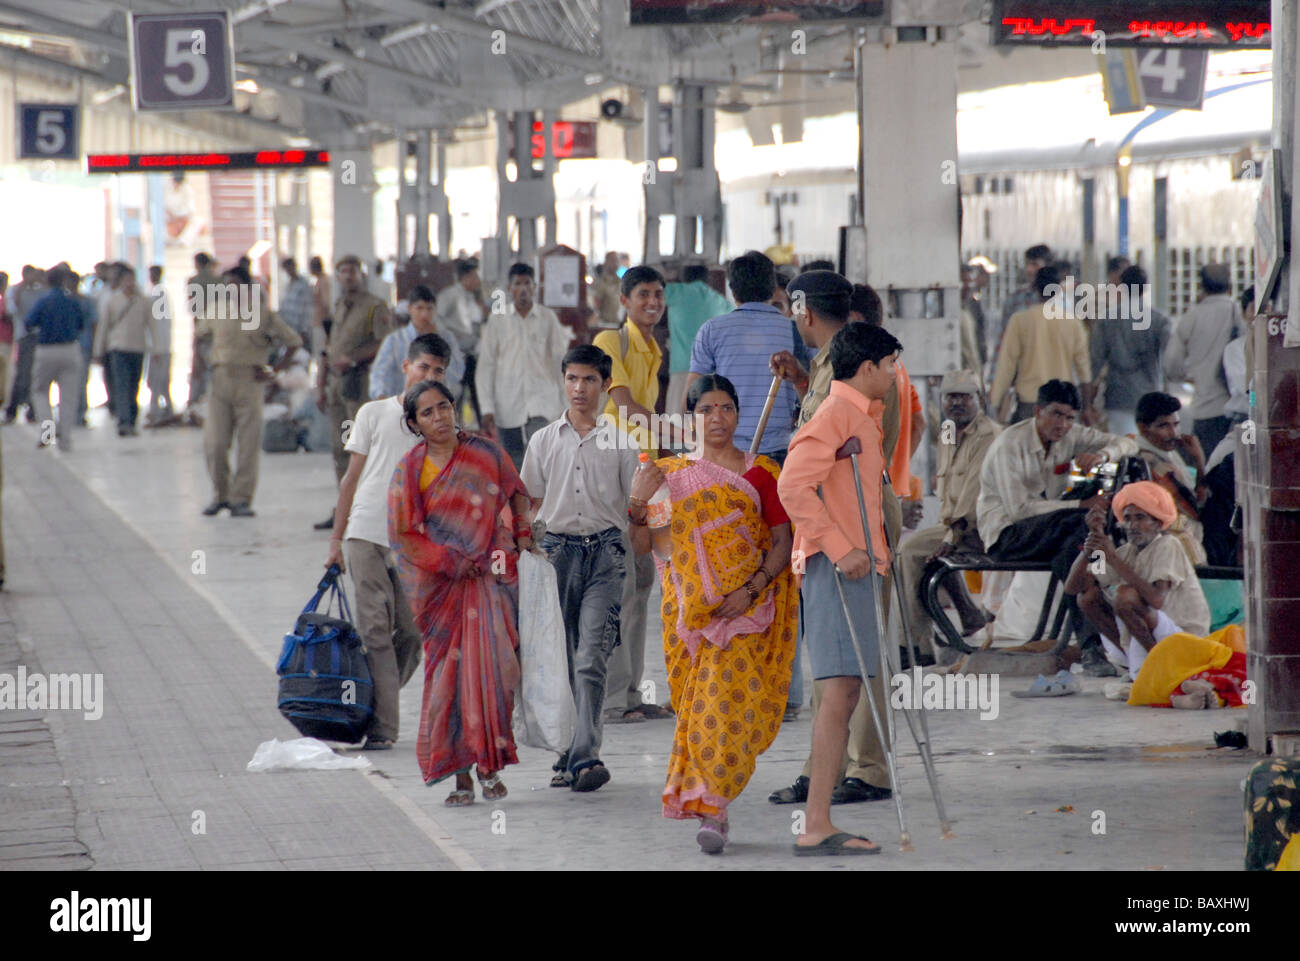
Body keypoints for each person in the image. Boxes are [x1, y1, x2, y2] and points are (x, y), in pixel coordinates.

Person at [628, 373, 797, 853]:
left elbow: (782, 541)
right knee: (700, 713)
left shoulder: (761, 473)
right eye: (706, 409)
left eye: (725, 408)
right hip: (691, 617)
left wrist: (752, 588)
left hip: (747, 610)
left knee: (725, 709)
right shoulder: (669, 475)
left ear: (739, 414)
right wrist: (638, 501)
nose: (717, 418)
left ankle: (713, 809)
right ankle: (711, 803)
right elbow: (649, 547)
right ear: (691, 418)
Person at [766, 272, 902, 797]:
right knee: (830, 657)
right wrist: (803, 382)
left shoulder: (863, 360)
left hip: (852, 520)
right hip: (831, 524)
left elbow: (829, 450)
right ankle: (825, 767)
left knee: (859, 655)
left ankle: (865, 767)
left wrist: (843, 547)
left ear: (804, 311)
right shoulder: (832, 364)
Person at [388, 379, 531, 804]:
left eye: (445, 407)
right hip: (442, 593)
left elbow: (517, 493)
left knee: (498, 672)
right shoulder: (410, 470)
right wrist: (451, 561)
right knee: (449, 680)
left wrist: (521, 535)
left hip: (490, 581)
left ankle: (490, 766)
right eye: (428, 412)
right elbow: (404, 536)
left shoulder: (485, 452)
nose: (440, 417)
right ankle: (461, 776)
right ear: (414, 423)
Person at [521, 345, 639, 792]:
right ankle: (565, 752)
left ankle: (586, 757)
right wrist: (523, 550)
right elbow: (528, 502)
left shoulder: (622, 441)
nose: (579, 388)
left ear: (606, 387)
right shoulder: (543, 441)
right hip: (555, 555)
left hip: (607, 554)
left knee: (591, 656)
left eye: (590, 380)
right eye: (572, 378)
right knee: (560, 656)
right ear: (563, 381)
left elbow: (636, 507)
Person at [325, 334, 451, 748]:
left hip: (412, 546)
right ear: (405, 367)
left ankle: (372, 701)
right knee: (375, 632)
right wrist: (335, 542)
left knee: (413, 633)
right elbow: (351, 479)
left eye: (437, 372)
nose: (429, 377)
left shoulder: (439, 425)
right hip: (364, 533)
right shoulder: (373, 413)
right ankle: (382, 730)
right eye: (423, 368)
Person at [977, 379, 1138, 674]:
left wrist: (1102, 456)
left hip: (1052, 530)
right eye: (1056, 414)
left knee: (1074, 550)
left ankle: (1092, 647)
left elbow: (1129, 442)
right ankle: (1098, 620)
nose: (1063, 424)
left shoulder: (1071, 435)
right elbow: (1019, 511)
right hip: (1008, 536)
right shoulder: (1009, 446)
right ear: (1038, 411)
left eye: (1069, 417)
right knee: (1082, 525)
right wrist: (1080, 505)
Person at [592, 265, 674, 722]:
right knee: (621, 586)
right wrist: (679, 434)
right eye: (643, 293)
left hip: (644, 478)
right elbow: (623, 405)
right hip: (615, 477)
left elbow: (647, 418)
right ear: (624, 300)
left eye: (658, 294)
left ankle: (632, 696)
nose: (653, 301)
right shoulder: (611, 343)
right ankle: (612, 700)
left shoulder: (654, 349)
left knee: (642, 584)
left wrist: (669, 455)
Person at [897, 370, 1001, 657]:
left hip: (983, 529)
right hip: (955, 527)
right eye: (951, 397)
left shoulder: (989, 436)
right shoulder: (946, 432)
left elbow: (972, 497)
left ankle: (916, 646)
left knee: (910, 553)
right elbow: (946, 490)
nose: (957, 403)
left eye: (965, 397)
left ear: (978, 400)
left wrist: (950, 536)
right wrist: (947, 533)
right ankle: (968, 614)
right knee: (924, 553)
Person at [1064, 481, 1211, 680]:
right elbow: (1075, 588)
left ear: (1158, 522)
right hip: (1141, 637)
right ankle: (1138, 663)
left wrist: (1113, 558)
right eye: (1128, 519)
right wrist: (1093, 544)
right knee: (1088, 597)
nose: (1133, 526)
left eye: (1140, 518)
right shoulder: (1126, 552)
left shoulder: (1168, 545)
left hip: (1183, 636)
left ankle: (1161, 665)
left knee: (1125, 596)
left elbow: (1157, 600)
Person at [199, 265, 302, 517]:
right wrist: (199, 367)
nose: (230, 288)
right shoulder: (215, 310)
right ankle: (219, 495)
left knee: (247, 444)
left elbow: (293, 342)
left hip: (250, 381)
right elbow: (199, 337)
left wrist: (275, 371)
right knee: (215, 443)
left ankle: (240, 499)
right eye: (226, 284)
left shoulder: (261, 313)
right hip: (220, 379)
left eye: (234, 283)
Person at [687, 251, 807, 462]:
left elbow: (692, 394)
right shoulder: (796, 331)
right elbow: (812, 393)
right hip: (779, 451)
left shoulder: (711, 330)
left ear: (732, 290)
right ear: (773, 289)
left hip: (726, 450)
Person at [314, 254, 392, 529]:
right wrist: (320, 384)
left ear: (360, 275)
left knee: (361, 448)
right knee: (339, 447)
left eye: (353, 271)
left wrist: (356, 359)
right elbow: (329, 346)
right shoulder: (339, 305)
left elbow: (384, 341)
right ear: (337, 276)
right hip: (337, 386)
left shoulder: (374, 307)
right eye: (343, 271)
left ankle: (365, 510)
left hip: (358, 386)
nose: (348, 276)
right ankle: (344, 508)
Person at [476, 263, 572, 469]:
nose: (523, 289)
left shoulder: (547, 318)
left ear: (535, 286)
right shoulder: (498, 320)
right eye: (517, 284)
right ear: (510, 288)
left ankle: (542, 501)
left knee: (542, 458)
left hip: (543, 401)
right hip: (507, 403)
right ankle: (522, 501)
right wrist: (487, 408)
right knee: (512, 462)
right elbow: (486, 366)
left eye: (527, 283)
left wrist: (566, 403)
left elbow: (560, 362)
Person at [990, 265, 1092, 424]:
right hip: (1064, 403)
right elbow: (1084, 369)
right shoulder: (1073, 323)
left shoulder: (1020, 320)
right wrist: (1086, 407)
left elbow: (1006, 366)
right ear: (1058, 289)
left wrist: (995, 403)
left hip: (1030, 403)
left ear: (1034, 288)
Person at [1164, 263, 1243, 455]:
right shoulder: (1239, 314)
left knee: (1208, 469)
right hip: (1238, 410)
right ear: (1229, 285)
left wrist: (1188, 376)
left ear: (1202, 286)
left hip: (1205, 410)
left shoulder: (1191, 317)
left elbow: (1172, 364)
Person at [1090, 265, 1170, 436]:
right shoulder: (1160, 319)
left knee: (1123, 450)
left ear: (1121, 286)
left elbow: (1095, 361)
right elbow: (1169, 360)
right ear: (1146, 287)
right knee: (1150, 451)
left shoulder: (1107, 318)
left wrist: (1087, 402)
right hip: (1151, 395)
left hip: (1118, 396)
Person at [1134, 391, 1208, 564]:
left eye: (1176, 424)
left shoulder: (1165, 452)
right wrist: (1200, 461)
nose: (1174, 433)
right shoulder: (1153, 463)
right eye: (1164, 426)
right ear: (1143, 428)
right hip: (1174, 540)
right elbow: (1197, 510)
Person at [370, 285, 465, 401]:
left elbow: (458, 372)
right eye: (419, 308)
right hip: (401, 403)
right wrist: (381, 396)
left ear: (435, 309)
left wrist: (436, 342)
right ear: (410, 309)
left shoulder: (447, 338)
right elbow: (379, 374)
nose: (424, 314)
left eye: (429, 309)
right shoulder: (395, 340)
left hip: (435, 404)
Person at [26, 266, 85, 451]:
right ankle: (66, 440)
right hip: (70, 349)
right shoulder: (72, 301)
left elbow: (29, 323)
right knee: (68, 396)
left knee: (40, 391)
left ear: (47, 281)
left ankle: (47, 429)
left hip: (46, 350)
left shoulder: (43, 301)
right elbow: (82, 324)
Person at [93, 266, 155, 437]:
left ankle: (131, 420)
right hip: (117, 348)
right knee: (121, 384)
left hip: (137, 348)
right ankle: (124, 421)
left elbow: (152, 325)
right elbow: (104, 326)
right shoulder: (113, 301)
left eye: (131, 279)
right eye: (126, 280)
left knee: (134, 386)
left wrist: (156, 347)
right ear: (121, 282)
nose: (129, 283)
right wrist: (99, 350)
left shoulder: (143, 301)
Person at [663, 264, 729, 415]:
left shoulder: (677, 292)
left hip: (682, 368)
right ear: (707, 279)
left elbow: (651, 294)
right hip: (711, 372)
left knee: (676, 422)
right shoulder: (719, 300)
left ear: (683, 278)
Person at [435, 257, 488, 424]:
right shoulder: (450, 295)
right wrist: (452, 336)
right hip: (454, 354)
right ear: (466, 277)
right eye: (475, 276)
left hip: (471, 354)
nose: (478, 280)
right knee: (454, 395)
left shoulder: (470, 297)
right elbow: (437, 318)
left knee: (476, 394)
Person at [4, 266, 46, 424]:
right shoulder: (15, 290)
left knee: (37, 375)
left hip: (39, 337)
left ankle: (33, 410)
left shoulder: (39, 292)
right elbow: (12, 310)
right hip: (24, 336)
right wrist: (21, 289)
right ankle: (12, 409)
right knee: (22, 374)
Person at [993, 243, 1052, 355]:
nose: (1029, 270)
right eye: (1027, 265)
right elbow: (1004, 340)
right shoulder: (1016, 299)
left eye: (1035, 265)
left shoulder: (1064, 300)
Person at [185, 253, 220, 415]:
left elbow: (194, 309)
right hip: (218, 331)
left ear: (197, 264)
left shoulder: (194, 282)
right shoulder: (220, 282)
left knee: (199, 367)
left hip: (202, 330)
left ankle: (195, 405)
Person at [145, 265, 174, 425]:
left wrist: (157, 346)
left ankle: (156, 410)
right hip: (160, 344)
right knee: (160, 380)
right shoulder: (158, 293)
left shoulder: (158, 293)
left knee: (157, 380)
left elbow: (158, 323)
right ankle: (166, 408)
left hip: (159, 346)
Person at [278, 257, 314, 345]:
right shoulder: (288, 285)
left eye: (290, 267)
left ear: (294, 266)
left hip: (300, 330)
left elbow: (307, 308)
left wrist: (304, 330)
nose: (288, 270)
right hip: (288, 328)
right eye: (286, 268)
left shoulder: (304, 284)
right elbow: (285, 306)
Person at [590, 252, 623, 330]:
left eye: (617, 261)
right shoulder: (600, 283)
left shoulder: (620, 282)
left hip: (619, 325)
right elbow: (596, 305)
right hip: (605, 325)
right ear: (606, 263)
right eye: (612, 260)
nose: (615, 264)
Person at [309, 254, 332, 357]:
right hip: (317, 322)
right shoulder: (319, 281)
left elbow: (326, 302)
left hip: (321, 322)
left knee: (320, 352)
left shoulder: (324, 281)